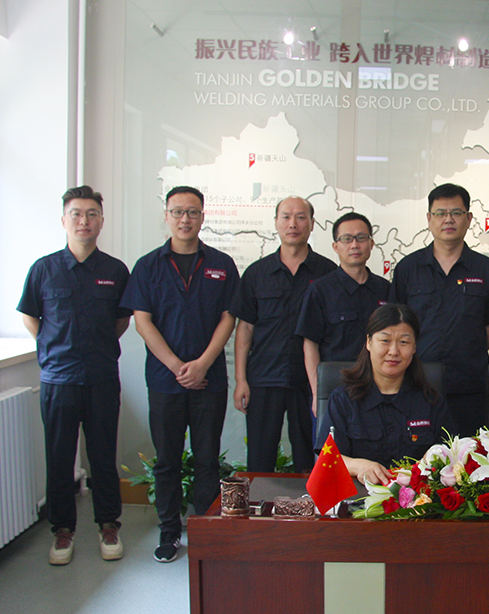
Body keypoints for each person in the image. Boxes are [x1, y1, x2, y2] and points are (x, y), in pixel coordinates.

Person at [121, 186, 239, 563]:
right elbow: (143, 322)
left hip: (209, 380)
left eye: (192, 212)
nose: (185, 219)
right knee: (167, 461)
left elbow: (229, 318)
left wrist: (202, 363)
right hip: (164, 382)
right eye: (177, 212)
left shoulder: (222, 264)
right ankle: (169, 532)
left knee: (206, 460)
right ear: (167, 216)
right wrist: (177, 367)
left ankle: (205, 532)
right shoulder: (147, 266)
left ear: (203, 217)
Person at [18, 185, 130, 565]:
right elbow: (31, 317)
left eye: (92, 214)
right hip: (59, 380)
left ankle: (108, 525)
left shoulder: (115, 271)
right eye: (77, 214)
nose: (84, 221)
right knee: (59, 457)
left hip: (101, 377)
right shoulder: (43, 269)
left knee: (103, 455)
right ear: (64, 220)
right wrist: (55, 349)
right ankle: (62, 530)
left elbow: (121, 321)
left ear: (101, 220)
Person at [390, 183, 489, 436]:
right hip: (417, 382)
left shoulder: (486, 269)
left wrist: (468, 348)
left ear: (469, 219)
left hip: (470, 385)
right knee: (417, 452)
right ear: (429, 219)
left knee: (469, 453)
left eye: (456, 213)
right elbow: (396, 323)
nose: (448, 219)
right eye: (440, 213)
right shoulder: (408, 268)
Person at [230, 196, 336, 472]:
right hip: (265, 376)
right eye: (286, 217)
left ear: (312, 224)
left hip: (310, 383)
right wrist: (241, 380)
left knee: (310, 458)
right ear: (276, 222)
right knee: (260, 457)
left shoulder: (327, 272)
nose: (293, 224)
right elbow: (245, 328)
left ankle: (309, 502)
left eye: (301, 217)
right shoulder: (257, 273)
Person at [316, 304, 457, 486]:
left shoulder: (431, 401)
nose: (394, 351)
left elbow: (451, 456)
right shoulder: (343, 400)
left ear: (414, 347)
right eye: (385, 340)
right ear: (369, 342)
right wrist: (358, 466)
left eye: (403, 342)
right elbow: (327, 459)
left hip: (417, 499)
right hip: (359, 497)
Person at [296, 211, 390, 414]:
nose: (354, 245)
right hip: (334, 389)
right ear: (335, 246)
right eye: (347, 239)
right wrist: (317, 392)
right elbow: (310, 344)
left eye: (361, 238)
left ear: (371, 244)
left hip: (379, 388)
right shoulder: (320, 290)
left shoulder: (385, 289)